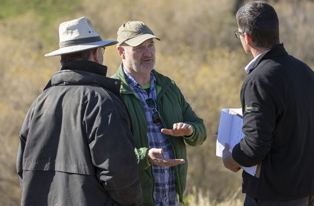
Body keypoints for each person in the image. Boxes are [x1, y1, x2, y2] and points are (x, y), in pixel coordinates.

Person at [16, 16, 143, 206]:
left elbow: (23, 170)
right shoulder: (103, 102)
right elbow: (120, 174)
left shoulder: (40, 102)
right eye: (102, 50)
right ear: (95, 54)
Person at [222, 1, 314, 206]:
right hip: (306, 190)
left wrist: (231, 158)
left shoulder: (259, 79)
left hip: (273, 195)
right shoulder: (305, 71)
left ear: (246, 37)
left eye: (238, 35)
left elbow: (255, 145)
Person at [111, 21, 207, 206]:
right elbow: (109, 154)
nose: (148, 53)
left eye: (150, 45)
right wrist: (145, 157)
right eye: (139, 48)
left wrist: (190, 130)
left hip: (172, 198)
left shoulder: (168, 86)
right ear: (121, 52)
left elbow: (200, 129)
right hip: (135, 200)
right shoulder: (112, 93)